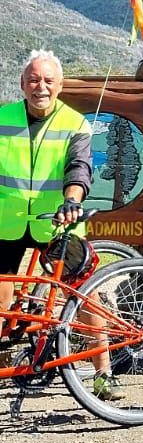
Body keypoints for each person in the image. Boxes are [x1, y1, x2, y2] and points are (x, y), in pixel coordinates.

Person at [0, 51, 111, 389]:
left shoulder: (75, 123)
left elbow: (79, 168)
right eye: (34, 80)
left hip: (59, 220)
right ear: (22, 84)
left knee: (82, 295)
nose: (41, 87)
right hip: (8, 221)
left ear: (60, 86)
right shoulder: (3, 118)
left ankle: (104, 373)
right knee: (1, 299)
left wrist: (72, 201)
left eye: (48, 80)